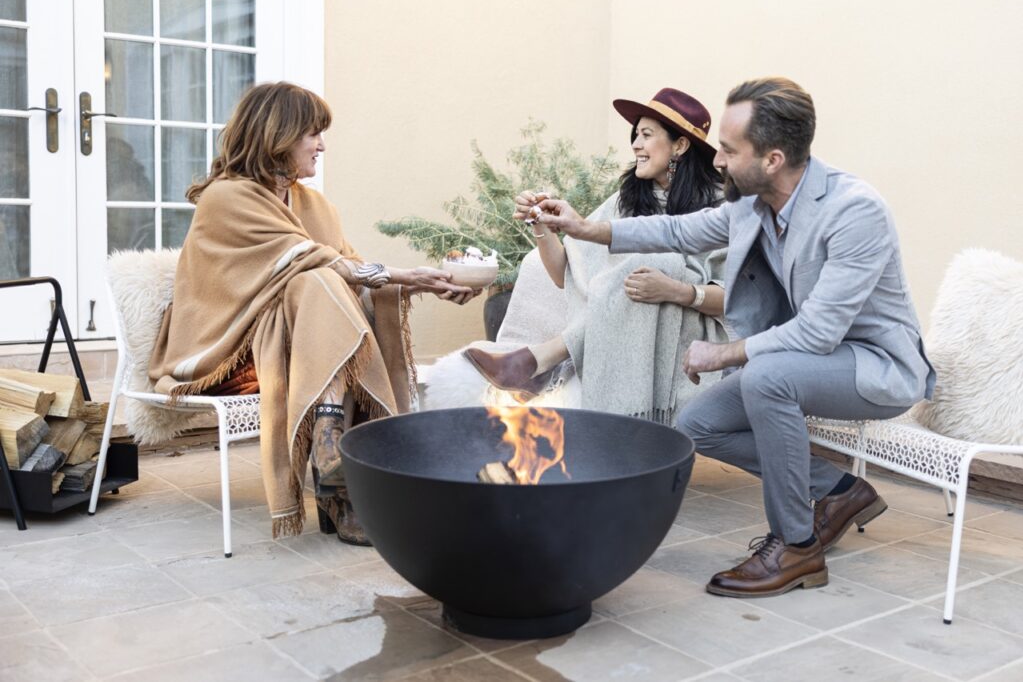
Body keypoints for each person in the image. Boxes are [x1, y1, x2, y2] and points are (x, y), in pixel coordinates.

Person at [531, 77, 935, 597]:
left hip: (874, 366)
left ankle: (796, 547)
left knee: (767, 377)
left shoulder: (854, 211)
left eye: (728, 149)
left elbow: (819, 330)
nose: (717, 160)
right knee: (697, 424)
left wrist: (723, 351)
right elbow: (679, 230)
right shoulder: (754, 203)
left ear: (772, 158)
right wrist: (584, 228)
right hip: (805, 362)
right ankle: (838, 490)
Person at [148, 82, 479, 544]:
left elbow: (355, 273)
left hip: (304, 350)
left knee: (329, 294)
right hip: (229, 352)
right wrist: (401, 274)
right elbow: (319, 262)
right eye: (313, 134)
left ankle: (332, 455)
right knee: (315, 279)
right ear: (278, 135)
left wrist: (422, 283)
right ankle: (338, 470)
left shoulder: (314, 206)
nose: (321, 145)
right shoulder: (226, 198)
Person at [463, 88, 727, 423]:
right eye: (635, 135)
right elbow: (566, 274)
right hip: (628, 324)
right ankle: (541, 362)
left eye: (647, 135)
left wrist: (676, 289)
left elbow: (732, 299)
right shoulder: (627, 200)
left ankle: (543, 359)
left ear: (680, 145)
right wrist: (540, 223)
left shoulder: (721, 207)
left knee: (661, 263)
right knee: (645, 267)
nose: (636, 145)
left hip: (692, 329)